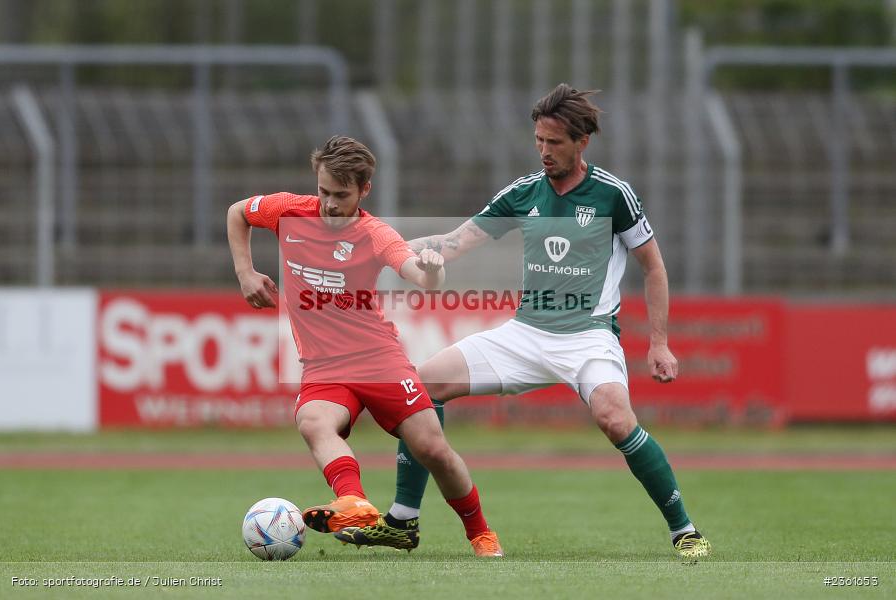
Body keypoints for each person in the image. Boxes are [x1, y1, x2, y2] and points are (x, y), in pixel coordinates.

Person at [334, 84, 711, 560]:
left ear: (581, 142)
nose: (544, 151)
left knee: (615, 419)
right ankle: (403, 521)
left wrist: (659, 343)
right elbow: (456, 240)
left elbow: (653, 267)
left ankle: (685, 530)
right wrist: (391, 247)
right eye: (538, 140)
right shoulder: (525, 192)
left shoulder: (614, 195)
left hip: (588, 337)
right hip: (527, 333)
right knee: (421, 387)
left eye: (554, 142)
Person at [226, 135, 502, 557]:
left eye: (341, 195)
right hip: (322, 365)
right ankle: (352, 501)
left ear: (363, 191)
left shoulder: (374, 233)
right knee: (312, 420)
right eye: (323, 192)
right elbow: (237, 213)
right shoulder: (289, 211)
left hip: (378, 359)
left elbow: (416, 273)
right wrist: (245, 272)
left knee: (433, 449)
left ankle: (481, 533)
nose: (330, 204)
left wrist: (432, 272)